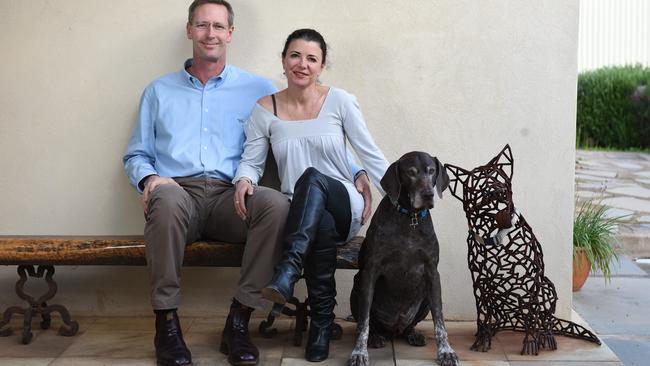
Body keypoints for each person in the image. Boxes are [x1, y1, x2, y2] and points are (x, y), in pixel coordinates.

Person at [123, 2, 371, 365]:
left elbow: (305, 133)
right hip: (179, 194)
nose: (211, 33)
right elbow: (136, 155)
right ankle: (167, 324)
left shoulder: (258, 89)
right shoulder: (158, 92)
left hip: (230, 196)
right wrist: (150, 178)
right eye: (203, 25)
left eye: (219, 26)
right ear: (189, 30)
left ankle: (238, 321)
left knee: (275, 205)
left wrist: (355, 171)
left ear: (230, 34)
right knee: (166, 198)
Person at [233, 28, 389, 362]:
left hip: (344, 200)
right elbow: (251, 159)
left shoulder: (340, 101)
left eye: (311, 58)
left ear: (321, 66)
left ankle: (289, 269)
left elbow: (369, 152)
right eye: (295, 55)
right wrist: (244, 180)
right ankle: (321, 323)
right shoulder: (264, 109)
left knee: (313, 178)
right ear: (284, 60)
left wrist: (397, 198)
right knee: (318, 219)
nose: (302, 64)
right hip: (301, 212)